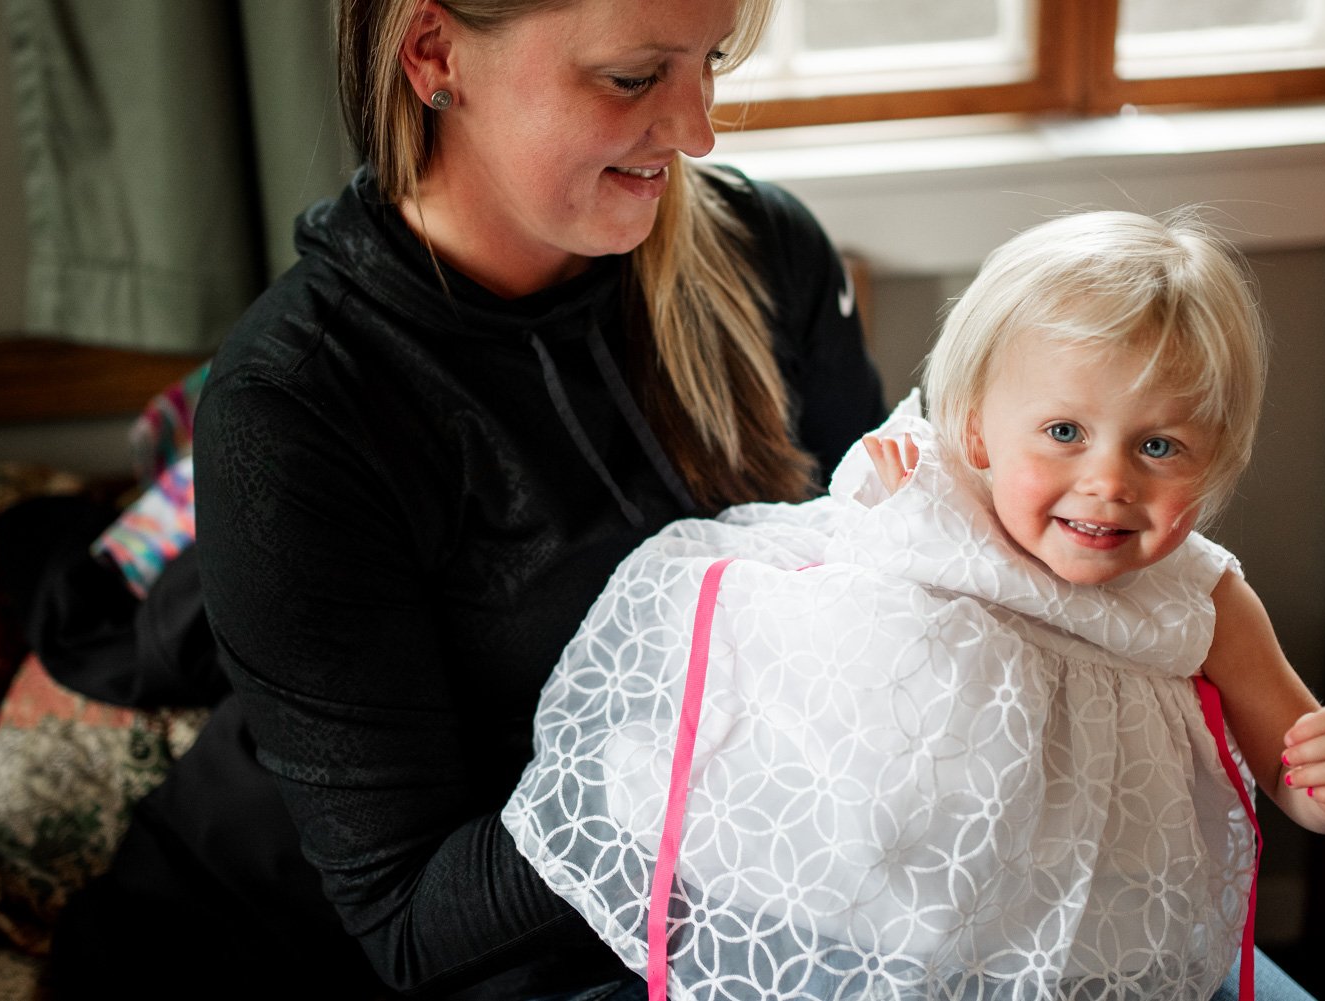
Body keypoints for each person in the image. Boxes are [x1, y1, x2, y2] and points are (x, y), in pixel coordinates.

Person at [45, 1, 882, 999]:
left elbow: (876, 597)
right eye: (631, 77)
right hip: (285, 951)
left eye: (712, 61)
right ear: (436, 54)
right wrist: (702, 766)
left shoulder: (765, 253)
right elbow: (410, 925)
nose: (697, 129)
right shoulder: (297, 404)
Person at [502, 210, 1325, 1000]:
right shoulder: (929, 500)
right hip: (890, 907)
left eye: (1160, 445)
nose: (1109, 481)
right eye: (1065, 433)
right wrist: (874, 517)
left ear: (1217, 458)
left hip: (1092, 938)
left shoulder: (1204, 595)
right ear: (975, 432)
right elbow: (824, 635)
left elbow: (1288, 759)